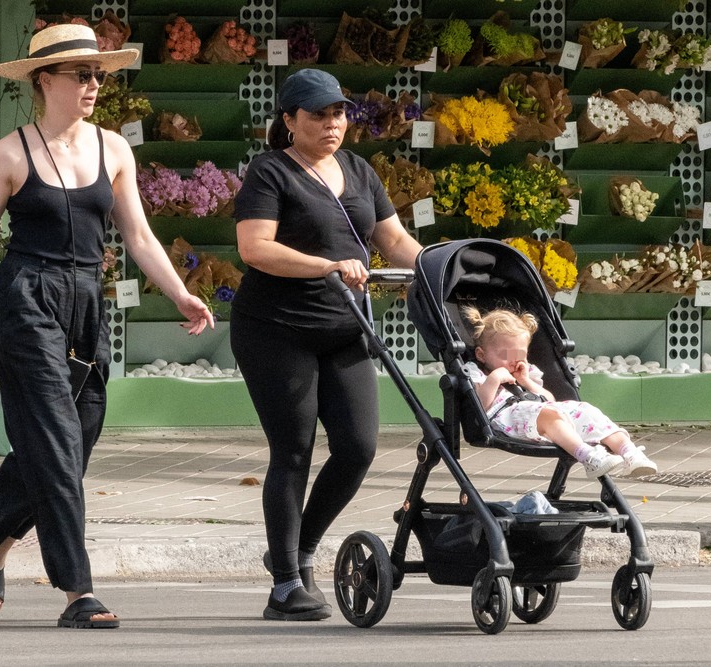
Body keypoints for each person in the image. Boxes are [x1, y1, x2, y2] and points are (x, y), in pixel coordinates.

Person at [0, 24, 214, 630]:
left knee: (72, 442)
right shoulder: (10, 155)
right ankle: (76, 591)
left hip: (88, 301)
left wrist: (182, 293)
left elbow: (137, 235)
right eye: (80, 74)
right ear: (43, 80)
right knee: (55, 443)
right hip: (28, 297)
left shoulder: (114, 149)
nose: (92, 84)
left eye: (98, 74)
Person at [230, 68, 423, 621]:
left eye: (338, 112)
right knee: (292, 450)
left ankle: (296, 549)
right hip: (275, 330)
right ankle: (286, 584)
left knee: (359, 447)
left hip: (345, 329)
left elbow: (394, 240)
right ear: (289, 121)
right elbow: (255, 248)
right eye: (317, 114)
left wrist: (445, 267)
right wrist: (327, 266)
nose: (332, 123)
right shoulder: (270, 173)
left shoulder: (360, 170)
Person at [461, 306, 657, 480]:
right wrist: (494, 378)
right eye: (505, 355)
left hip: (541, 412)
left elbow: (548, 400)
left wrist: (526, 382)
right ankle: (588, 456)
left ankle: (630, 453)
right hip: (507, 418)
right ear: (481, 355)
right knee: (550, 415)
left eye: (520, 354)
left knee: (586, 410)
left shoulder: (527, 372)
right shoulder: (478, 373)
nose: (514, 360)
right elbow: (481, 407)